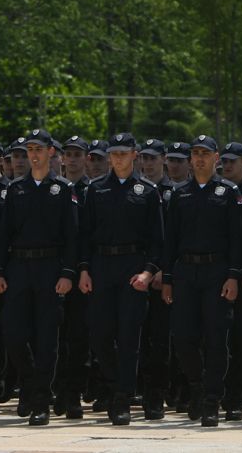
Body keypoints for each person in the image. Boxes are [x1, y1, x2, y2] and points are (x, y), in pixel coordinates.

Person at [0, 130, 77, 426]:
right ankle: (29, 383)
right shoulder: (16, 189)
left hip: (50, 268)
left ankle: (41, 400)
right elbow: (4, 234)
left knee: (46, 339)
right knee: (13, 334)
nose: (34, 154)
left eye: (39, 149)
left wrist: (68, 272)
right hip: (19, 267)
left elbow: (71, 236)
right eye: (30, 149)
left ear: (51, 152)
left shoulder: (63, 189)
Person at [78, 133, 165, 426]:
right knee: (100, 335)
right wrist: (84, 269)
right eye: (113, 154)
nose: (117, 159)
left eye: (123, 153)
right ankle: (118, 382)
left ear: (134, 154)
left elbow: (157, 240)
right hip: (101, 266)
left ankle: (122, 397)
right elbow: (85, 235)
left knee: (129, 337)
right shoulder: (96, 189)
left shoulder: (147, 191)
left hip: (132, 267)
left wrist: (148, 271)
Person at [163, 135, 242, 427]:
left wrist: (234, 276)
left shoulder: (228, 192)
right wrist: (168, 279)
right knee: (183, 338)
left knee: (215, 338)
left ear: (216, 157)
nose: (199, 158)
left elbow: (237, 239)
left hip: (217, 272)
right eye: (195, 153)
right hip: (186, 272)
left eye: (204, 153)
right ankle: (197, 385)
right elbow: (170, 239)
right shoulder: (180, 192)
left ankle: (211, 398)